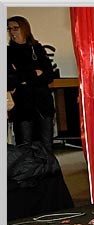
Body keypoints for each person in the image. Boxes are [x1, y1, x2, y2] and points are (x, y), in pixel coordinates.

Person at [7, 16, 56, 151]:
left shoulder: (37, 48)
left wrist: (24, 76)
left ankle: (48, 171)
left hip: (43, 104)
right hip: (23, 106)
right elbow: (11, 80)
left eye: (15, 28)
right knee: (25, 146)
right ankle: (28, 173)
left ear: (24, 28)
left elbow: (49, 76)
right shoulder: (8, 52)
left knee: (47, 145)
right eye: (9, 29)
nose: (12, 32)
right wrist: (35, 73)